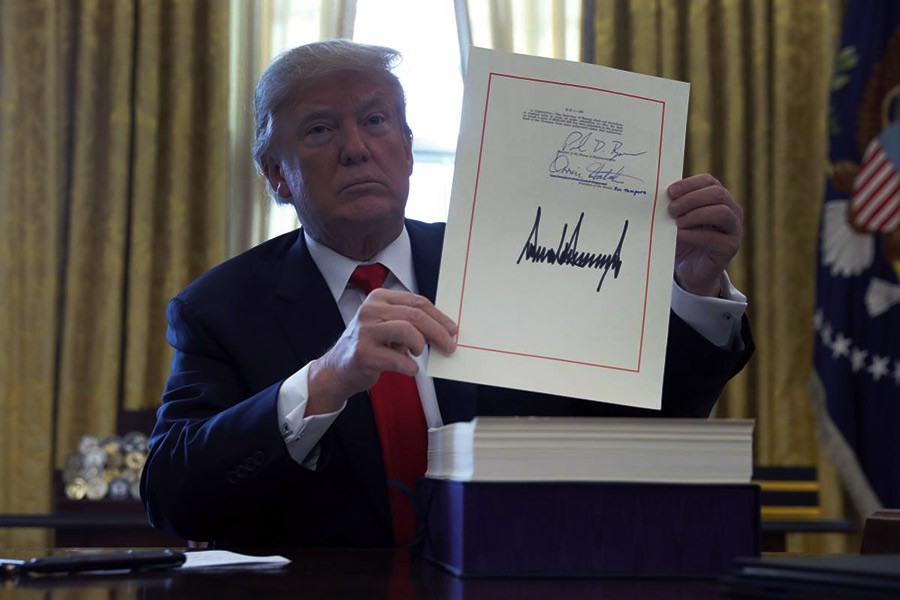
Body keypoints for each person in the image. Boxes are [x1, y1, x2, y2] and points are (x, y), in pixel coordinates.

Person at [140, 40, 753, 548]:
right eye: (320, 128)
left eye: (376, 120)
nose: (356, 146)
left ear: (406, 150)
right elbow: (173, 498)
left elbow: (633, 431)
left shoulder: (506, 263)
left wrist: (692, 287)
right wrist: (325, 379)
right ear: (277, 175)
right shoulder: (219, 309)